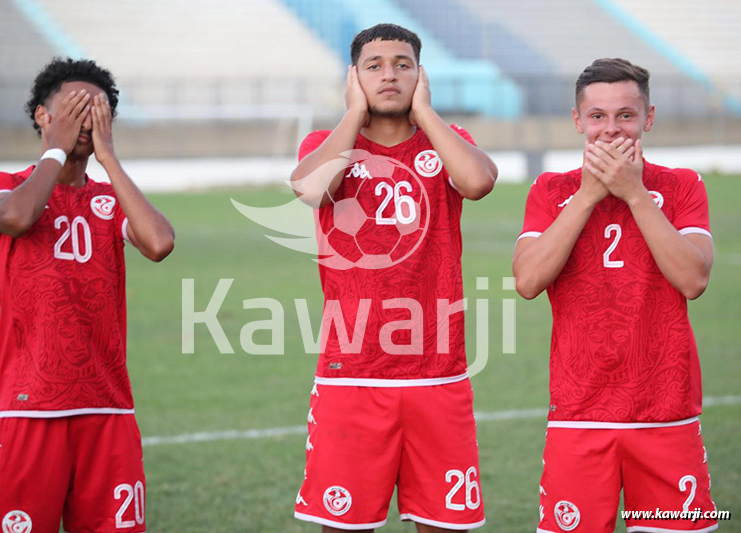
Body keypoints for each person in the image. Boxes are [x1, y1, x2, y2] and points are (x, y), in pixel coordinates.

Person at [290, 24, 497, 532]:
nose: (389, 75)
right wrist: (353, 113)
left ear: (421, 75)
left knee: (445, 524)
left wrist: (426, 114)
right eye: (374, 65)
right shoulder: (327, 144)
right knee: (343, 524)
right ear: (353, 76)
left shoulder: (449, 144)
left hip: (438, 372)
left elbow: (478, 182)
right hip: (353, 372)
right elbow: (312, 190)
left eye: (403, 65)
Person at [513, 58, 717, 532]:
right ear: (578, 121)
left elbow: (693, 279)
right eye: (598, 116)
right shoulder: (550, 190)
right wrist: (586, 196)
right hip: (579, 415)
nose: (610, 129)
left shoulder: (683, 185)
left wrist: (634, 194)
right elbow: (527, 282)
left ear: (648, 118)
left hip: (666, 414)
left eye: (625, 115)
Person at [0, 58, 175, 533]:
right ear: (42, 115)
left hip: (108, 410)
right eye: (73, 108)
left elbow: (160, 243)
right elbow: (18, 218)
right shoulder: (0, 185)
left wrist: (108, 158)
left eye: (97, 111)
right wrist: (56, 154)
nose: (85, 121)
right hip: (30, 407)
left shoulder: (108, 201)